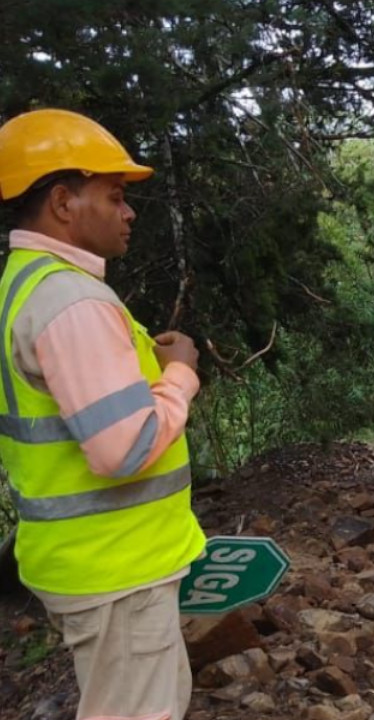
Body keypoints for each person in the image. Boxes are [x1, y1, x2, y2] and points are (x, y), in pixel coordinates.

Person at [0, 108, 205, 720]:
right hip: (116, 567)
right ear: (63, 202)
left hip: (99, 563)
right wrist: (182, 373)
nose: (129, 211)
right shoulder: (71, 299)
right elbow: (125, 446)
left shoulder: (27, 283)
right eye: (114, 196)